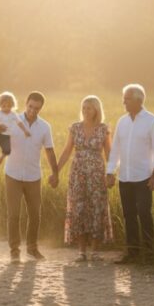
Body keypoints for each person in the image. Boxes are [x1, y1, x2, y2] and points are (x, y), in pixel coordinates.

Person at [0, 91, 59, 263]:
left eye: (36, 108)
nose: (32, 110)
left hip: (33, 176)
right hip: (13, 175)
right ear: (26, 104)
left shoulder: (45, 127)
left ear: (41, 108)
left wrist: (55, 173)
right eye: (30, 106)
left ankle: (32, 248)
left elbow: (50, 151)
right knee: (14, 214)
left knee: (35, 215)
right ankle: (14, 250)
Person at [106, 84, 154, 264]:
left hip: (144, 177)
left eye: (127, 98)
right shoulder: (122, 121)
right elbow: (115, 149)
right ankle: (132, 253)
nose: (123, 101)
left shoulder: (152, 121)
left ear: (139, 100)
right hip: (125, 177)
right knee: (128, 214)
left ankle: (149, 253)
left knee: (144, 213)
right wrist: (110, 172)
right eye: (124, 98)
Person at [57, 95, 113, 262]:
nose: (86, 111)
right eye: (83, 108)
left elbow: (110, 153)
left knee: (97, 208)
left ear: (96, 109)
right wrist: (56, 171)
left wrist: (111, 174)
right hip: (78, 173)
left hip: (97, 174)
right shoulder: (75, 128)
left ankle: (95, 251)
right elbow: (67, 150)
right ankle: (81, 251)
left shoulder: (104, 129)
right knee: (79, 208)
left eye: (89, 108)